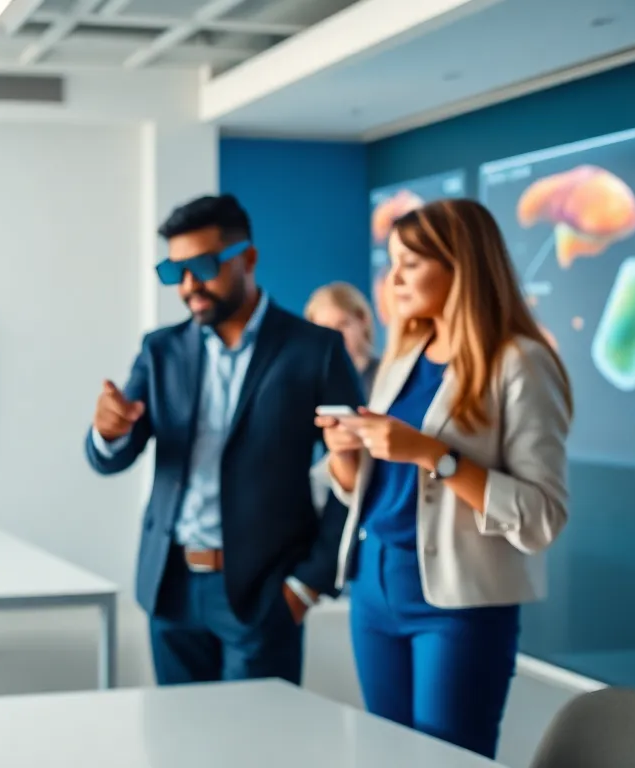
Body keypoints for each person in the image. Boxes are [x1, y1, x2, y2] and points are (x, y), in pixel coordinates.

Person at [313, 199, 572, 759]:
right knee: (389, 753)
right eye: (391, 261)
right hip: (375, 585)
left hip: (458, 604)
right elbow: (378, 489)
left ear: (461, 264)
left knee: (450, 757)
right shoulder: (404, 353)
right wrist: (344, 456)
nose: (393, 278)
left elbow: (542, 515)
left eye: (410, 262)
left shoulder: (521, 363)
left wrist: (438, 456)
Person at [86, 194, 363, 686]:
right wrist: (108, 432)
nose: (189, 285)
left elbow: (358, 477)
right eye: (175, 272)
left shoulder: (314, 350)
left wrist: (308, 584)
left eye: (203, 266)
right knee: (180, 744)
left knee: (257, 750)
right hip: (169, 587)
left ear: (248, 258)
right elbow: (113, 456)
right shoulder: (161, 350)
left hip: (264, 592)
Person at [305, 281, 380, 394]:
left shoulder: (389, 376)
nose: (335, 336)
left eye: (343, 324)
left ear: (362, 320)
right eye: (325, 330)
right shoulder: (309, 383)